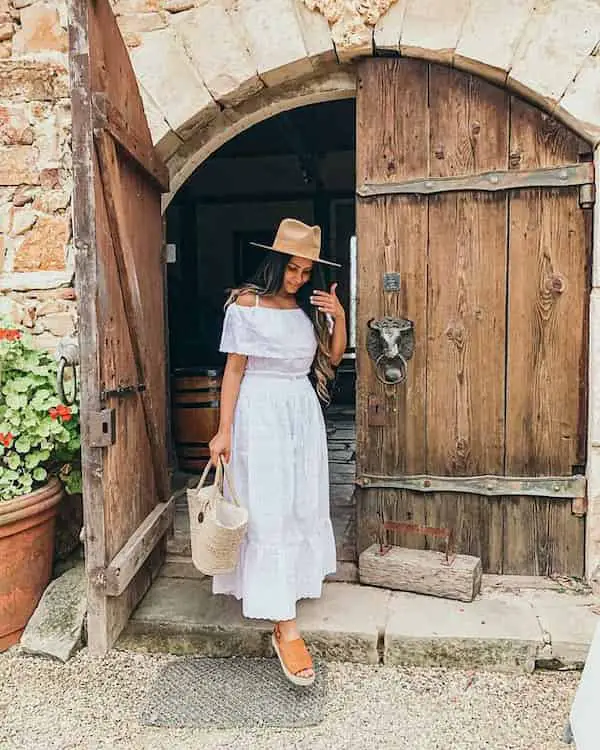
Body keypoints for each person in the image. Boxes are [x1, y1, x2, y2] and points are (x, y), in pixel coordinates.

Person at [208, 218, 347, 687]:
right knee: (266, 504)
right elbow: (233, 372)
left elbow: (330, 358)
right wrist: (223, 430)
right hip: (259, 412)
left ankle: (290, 582)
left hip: (300, 412)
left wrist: (338, 316)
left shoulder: (308, 308)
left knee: (298, 500)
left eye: (306, 271)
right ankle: (283, 624)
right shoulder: (246, 304)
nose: (299, 278)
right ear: (274, 263)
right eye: (293, 269)